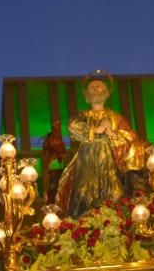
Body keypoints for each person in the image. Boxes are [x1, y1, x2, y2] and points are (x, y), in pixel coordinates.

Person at [55, 70, 145, 217]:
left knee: (113, 194)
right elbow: (73, 126)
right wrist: (97, 130)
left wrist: (112, 134)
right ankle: (80, 226)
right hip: (86, 161)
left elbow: (131, 137)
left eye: (99, 86)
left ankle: (112, 222)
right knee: (82, 194)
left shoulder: (116, 118)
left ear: (107, 93)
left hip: (109, 163)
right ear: (86, 95)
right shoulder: (82, 115)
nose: (96, 89)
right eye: (92, 87)